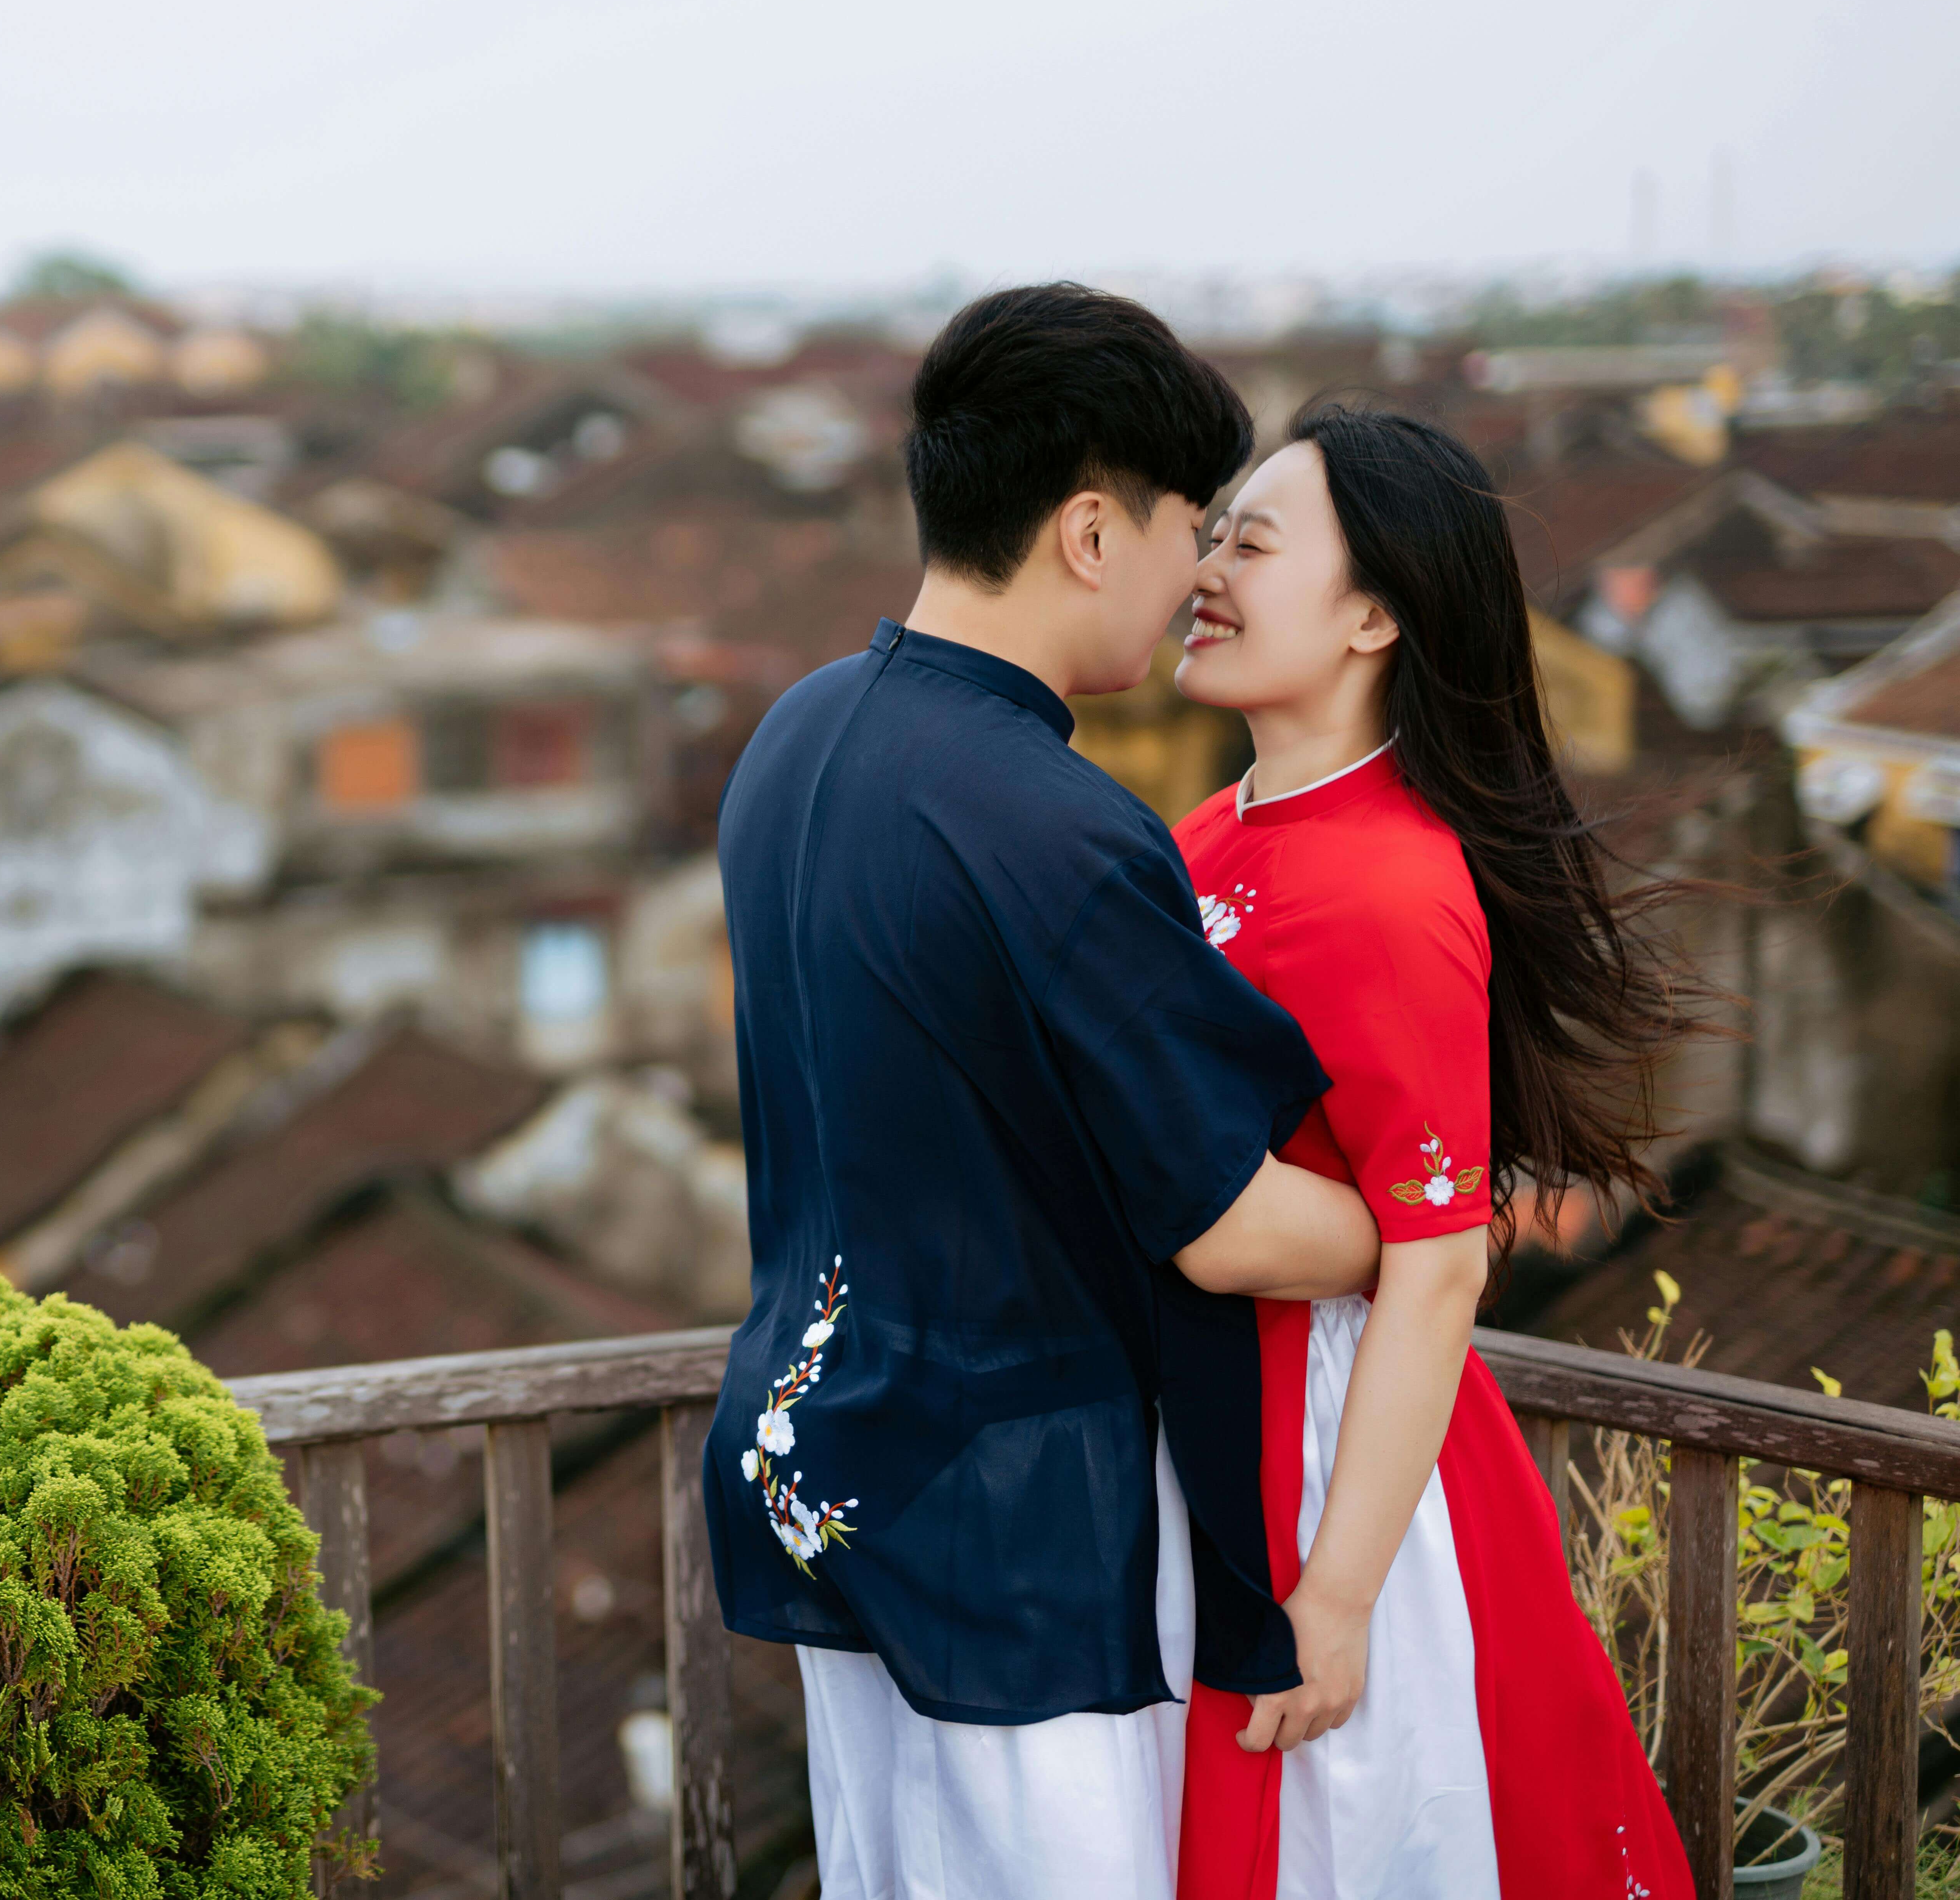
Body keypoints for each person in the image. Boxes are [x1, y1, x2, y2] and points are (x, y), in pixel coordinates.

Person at [705, 284, 1387, 1900]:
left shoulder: (795, 738)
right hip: (1015, 1521)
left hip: (818, 1455)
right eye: (1184, 535)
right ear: (1091, 530)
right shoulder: (1047, 822)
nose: (1194, 581)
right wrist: (1434, 1224)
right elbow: (1228, 1224)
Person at [1169, 404, 1699, 1899]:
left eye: (1249, 543)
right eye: (1208, 535)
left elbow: (1433, 1267)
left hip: (1338, 1459)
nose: (1205, 567)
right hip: (1213, 1421)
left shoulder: (1395, 887)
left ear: (1372, 613)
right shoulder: (1204, 840)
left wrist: (1335, 1598)